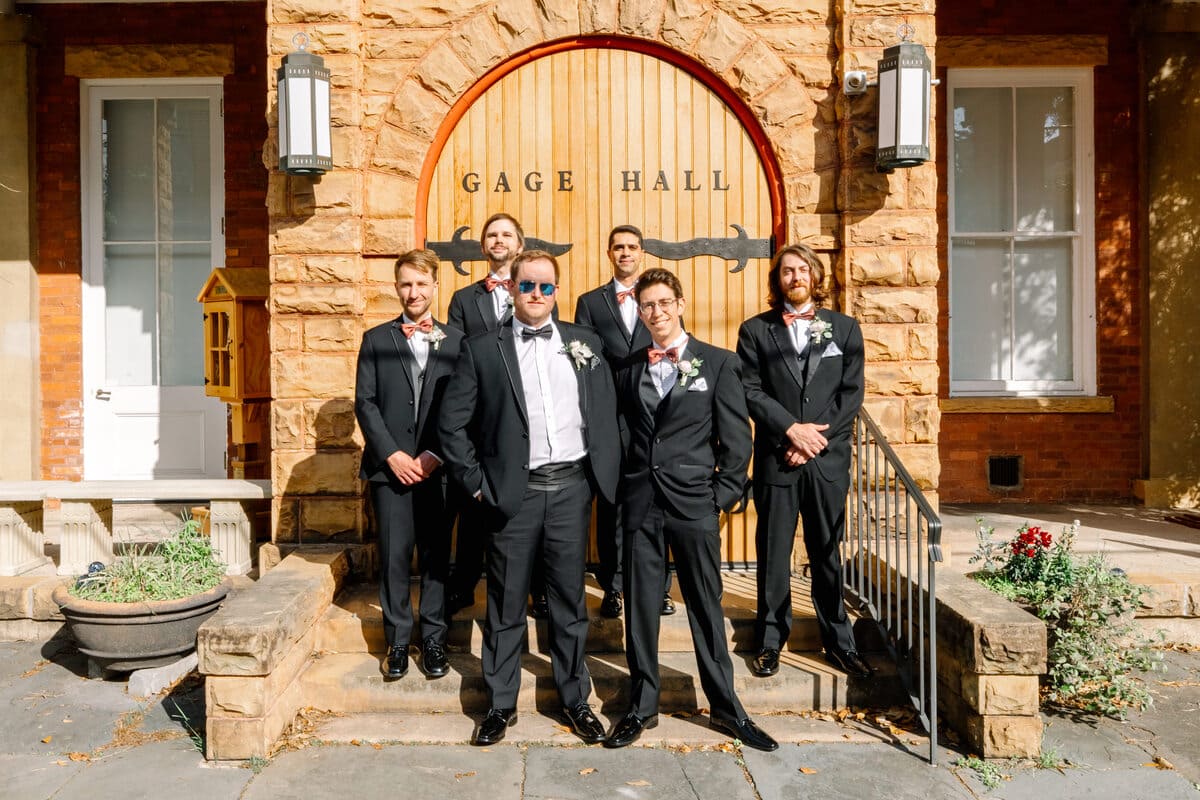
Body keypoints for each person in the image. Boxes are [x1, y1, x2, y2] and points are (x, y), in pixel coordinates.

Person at [438, 250, 620, 746]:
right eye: (527, 286)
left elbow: (605, 412)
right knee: (505, 603)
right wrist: (477, 483)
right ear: (511, 289)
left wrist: (605, 473)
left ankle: (574, 699)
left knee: (568, 602)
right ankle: (499, 704)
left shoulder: (585, 342)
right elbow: (452, 426)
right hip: (510, 497)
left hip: (570, 491)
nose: (536, 294)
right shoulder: (482, 348)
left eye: (546, 287)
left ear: (556, 292)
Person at [604, 268, 778, 753]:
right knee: (640, 609)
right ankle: (642, 707)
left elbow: (737, 441)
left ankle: (727, 709)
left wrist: (717, 500)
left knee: (705, 605)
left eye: (663, 303)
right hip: (641, 505)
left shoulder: (719, 363)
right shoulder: (627, 368)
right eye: (647, 306)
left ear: (680, 303)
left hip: (694, 504)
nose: (656, 312)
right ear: (639, 312)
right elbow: (622, 433)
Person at [736, 243, 871, 680]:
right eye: (786, 272)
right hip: (778, 456)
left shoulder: (845, 329)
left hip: (826, 460)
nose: (794, 277)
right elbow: (751, 390)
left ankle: (839, 642)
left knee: (826, 552)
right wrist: (791, 430)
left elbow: (850, 396)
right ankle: (770, 641)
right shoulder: (755, 331)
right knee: (773, 553)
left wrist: (812, 439)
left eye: (801, 270)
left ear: (815, 276)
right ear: (778, 281)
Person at [354, 248, 464, 681]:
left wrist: (434, 454)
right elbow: (366, 402)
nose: (413, 292)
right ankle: (398, 641)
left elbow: (459, 407)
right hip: (390, 470)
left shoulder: (456, 342)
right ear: (397, 287)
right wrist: (393, 455)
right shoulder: (376, 339)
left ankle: (434, 638)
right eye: (406, 284)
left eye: (421, 284)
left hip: (437, 469)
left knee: (437, 557)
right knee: (395, 557)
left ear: (435, 286)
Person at [444, 213, 550, 619]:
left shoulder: (535, 292)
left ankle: (538, 590)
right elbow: (456, 355)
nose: (498, 240)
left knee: (534, 507)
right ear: (483, 246)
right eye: (492, 235)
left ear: (519, 244)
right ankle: (466, 584)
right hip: (481, 420)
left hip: (528, 416)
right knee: (475, 509)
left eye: (507, 234)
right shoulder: (463, 299)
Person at [573, 225, 674, 619]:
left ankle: (659, 588)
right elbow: (585, 360)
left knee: (656, 503)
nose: (626, 253)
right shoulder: (590, 302)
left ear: (642, 252)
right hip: (611, 416)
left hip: (654, 416)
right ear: (609, 253)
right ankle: (613, 587)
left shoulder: (659, 299)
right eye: (619, 247)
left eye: (632, 247)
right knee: (612, 505)